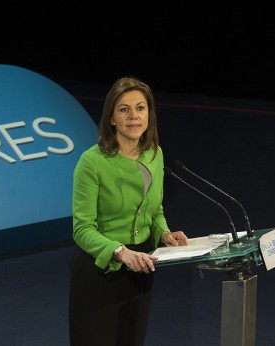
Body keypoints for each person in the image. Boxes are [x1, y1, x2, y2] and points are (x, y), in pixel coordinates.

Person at [68, 76, 188, 345]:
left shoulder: (155, 154)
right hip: (100, 271)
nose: (134, 116)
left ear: (149, 114)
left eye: (140, 108)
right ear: (111, 117)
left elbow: (155, 210)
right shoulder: (92, 162)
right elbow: (82, 229)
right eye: (124, 109)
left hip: (140, 269)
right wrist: (120, 252)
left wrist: (164, 233)